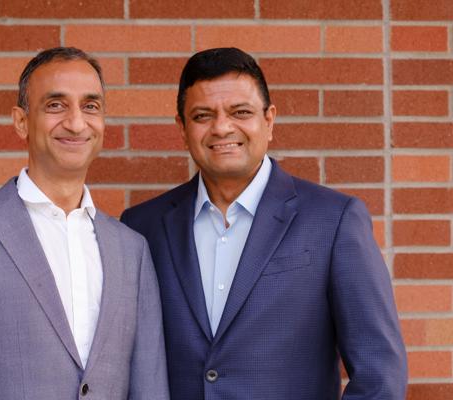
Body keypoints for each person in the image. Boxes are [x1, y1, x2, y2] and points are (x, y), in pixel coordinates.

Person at [121, 47, 407, 399]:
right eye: (202, 115)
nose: (222, 127)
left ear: (269, 120)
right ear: (182, 127)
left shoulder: (334, 220)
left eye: (240, 112)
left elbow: (380, 374)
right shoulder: (143, 226)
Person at [0, 47, 169, 400]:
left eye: (90, 106)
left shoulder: (131, 249)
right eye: (56, 105)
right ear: (21, 121)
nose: (76, 122)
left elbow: (149, 389)